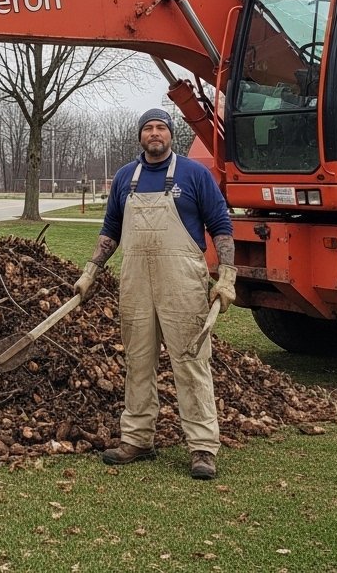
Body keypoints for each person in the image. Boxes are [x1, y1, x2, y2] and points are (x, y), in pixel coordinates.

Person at [74, 108, 235, 480]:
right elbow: (111, 227)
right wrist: (90, 271)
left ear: (170, 134)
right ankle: (137, 439)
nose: (154, 133)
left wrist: (226, 276)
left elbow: (221, 225)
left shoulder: (195, 175)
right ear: (140, 137)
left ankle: (202, 447)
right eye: (148, 128)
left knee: (190, 361)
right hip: (135, 282)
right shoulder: (124, 178)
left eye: (161, 127)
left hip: (182, 282)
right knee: (138, 361)